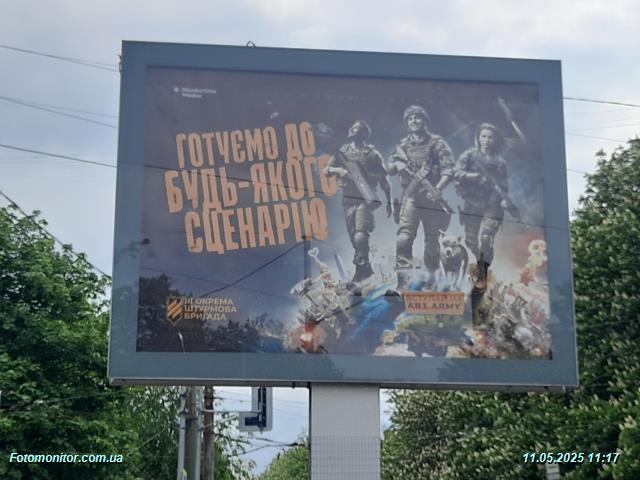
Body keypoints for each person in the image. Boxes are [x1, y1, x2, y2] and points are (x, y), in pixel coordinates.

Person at [387, 105, 455, 289]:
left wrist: (438, 188)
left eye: (417, 117)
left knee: (432, 241)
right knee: (403, 239)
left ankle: (431, 280)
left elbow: (449, 169)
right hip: (410, 198)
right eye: (410, 118)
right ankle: (403, 282)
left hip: (431, 200)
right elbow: (389, 167)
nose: (413, 121)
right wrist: (398, 166)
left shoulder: (437, 144)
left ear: (425, 121)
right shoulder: (402, 146)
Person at [323, 120, 392, 283]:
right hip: (348, 199)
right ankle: (366, 269)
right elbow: (326, 170)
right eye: (352, 127)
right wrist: (338, 170)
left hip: (366, 199)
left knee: (361, 234)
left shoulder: (372, 154)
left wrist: (390, 202)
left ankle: (360, 270)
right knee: (354, 237)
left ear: (363, 133)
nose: (353, 130)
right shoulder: (342, 152)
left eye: (356, 129)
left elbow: (384, 180)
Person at [454, 123, 510, 287]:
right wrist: (473, 176)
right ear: (478, 138)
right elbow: (456, 172)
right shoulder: (469, 155)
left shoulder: (500, 162)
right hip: (472, 202)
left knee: (486, 238)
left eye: (490, 137)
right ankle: (480, 259)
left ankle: (483, 271)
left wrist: (504, 199)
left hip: (492, 204)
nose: (486, 140)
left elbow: (503, 185)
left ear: (495, 140)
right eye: (483, 136)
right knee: (470, 240)